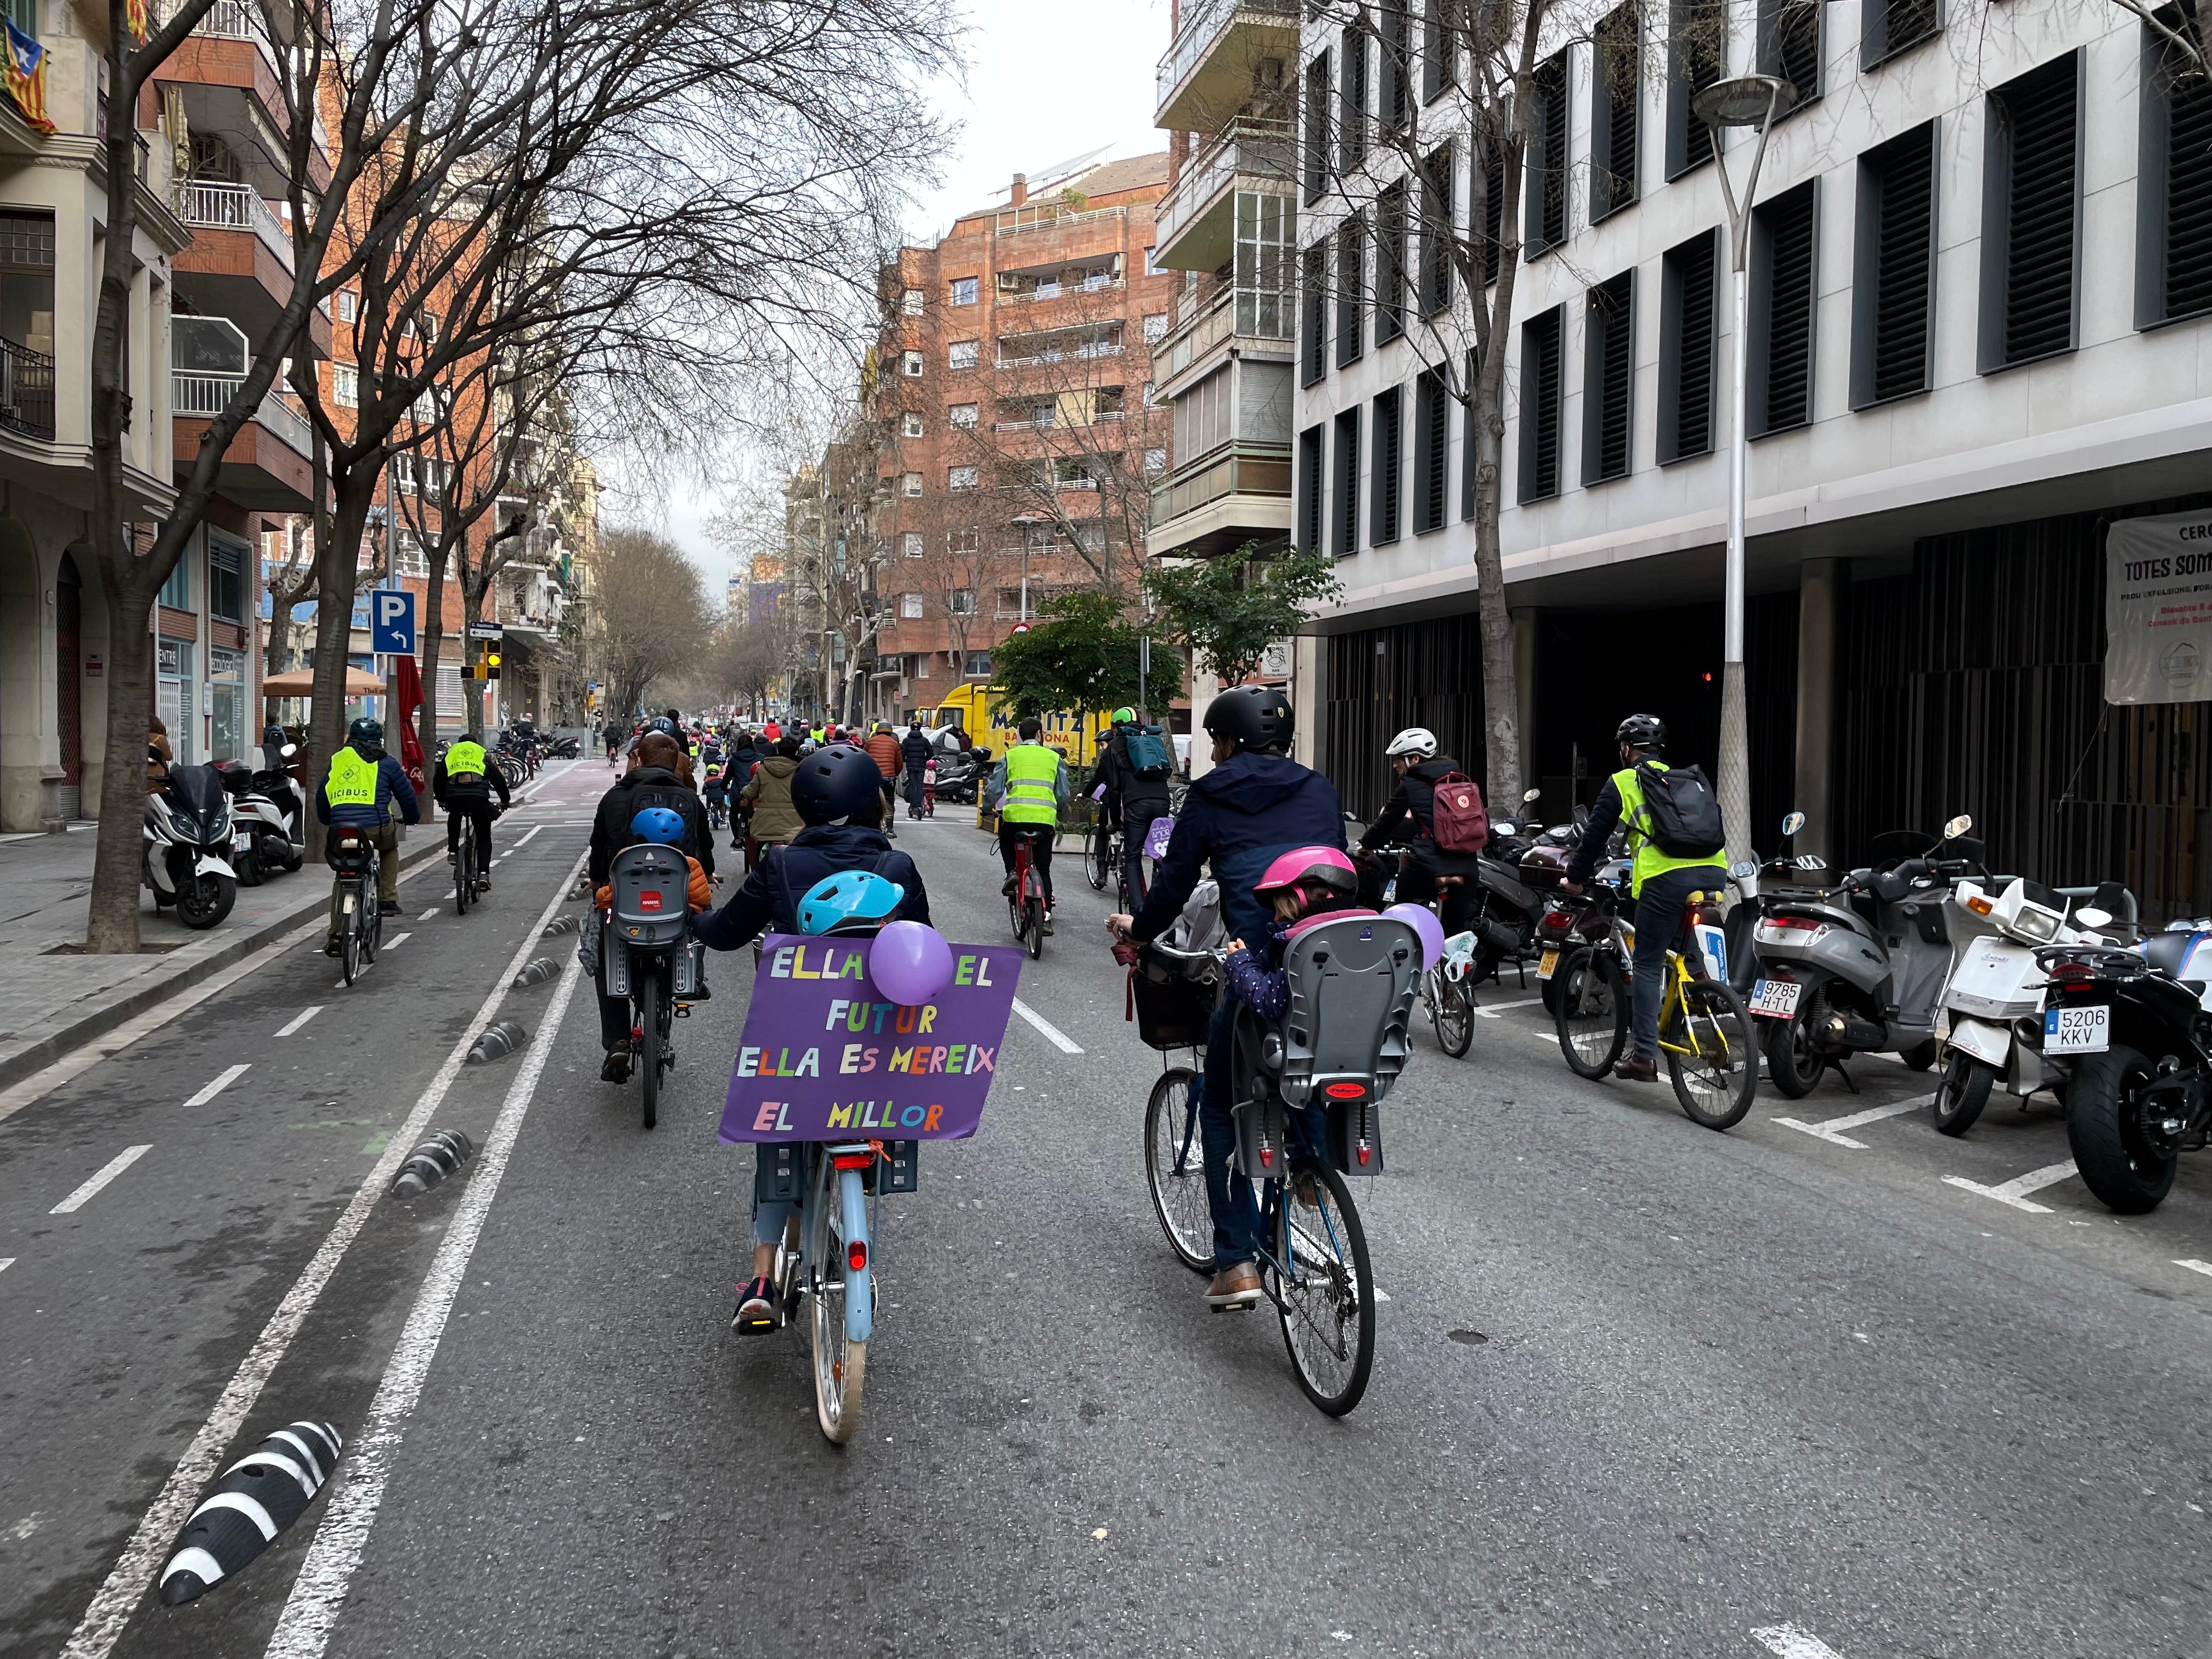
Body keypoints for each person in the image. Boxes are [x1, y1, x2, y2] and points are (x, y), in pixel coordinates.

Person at [1103, 685, 1344, 1310]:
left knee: (1220, 1106)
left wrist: (1140, 929)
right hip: (1330, 963)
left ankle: (1236, 1262)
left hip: (1258, 964)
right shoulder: (1319, 789)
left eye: (1215, 740)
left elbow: (1174, 883)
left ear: (1231, 741)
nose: (1212, 751)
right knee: (1314, 1056)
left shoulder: (1211, 796)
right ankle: (1313, 1161)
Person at [692, 743, 929, 1333]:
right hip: (877, 1055)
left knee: (777, 1135)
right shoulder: (897, 868)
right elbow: (925, 949)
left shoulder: (778, 866)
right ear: (872, 800)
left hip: (800, 1046)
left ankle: (762, 1277)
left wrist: (691, 917)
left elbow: (724, 934)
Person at [1561, 714, 1728, 1084]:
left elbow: (1593, 837)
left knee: (1648, 963)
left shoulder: (1624, 781)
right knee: (1672, 932)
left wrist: (1574, 879)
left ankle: (1643, 1057)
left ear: (1626, 749)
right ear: (1660, 750)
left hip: (1665, 877)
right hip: (1714, 871)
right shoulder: (1685, 779)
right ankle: (1699, 983)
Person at [588, 732, 714, 1079]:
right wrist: (708, 875)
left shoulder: (614, 798)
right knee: (698, 917)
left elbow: (599, 848)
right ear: (676, 764)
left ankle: (617, 1039)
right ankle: (693, 979)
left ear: (638, 759)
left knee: (606, 956)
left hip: (626, 906)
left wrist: (598, 882)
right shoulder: (690, 798)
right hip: (676, 905)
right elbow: (704, 847)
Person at [1352, 727, 1483, 939]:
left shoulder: (1411, 783)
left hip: (1428, 866)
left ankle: (1405, 944)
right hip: (1469, 867)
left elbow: (1387, 821)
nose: (1395, 764)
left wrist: (1366, 845)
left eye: (1398, 759)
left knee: (1403, 895)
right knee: (1453, 931)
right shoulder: (1458, 779)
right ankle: (1459, 964)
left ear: (1414, 759)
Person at [316, 716, 421, 953]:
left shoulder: (338, 759)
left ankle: (335, 934)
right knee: (389, 848)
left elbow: (323, 795)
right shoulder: (387, 762)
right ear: (379, 739)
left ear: (350, 738)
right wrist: (413, 818)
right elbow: (406, 795)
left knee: (342, 874)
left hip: (340, 828)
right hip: (376, 827)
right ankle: (387, 897)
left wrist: (328, 820)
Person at [1223, 847, 1364, 1022]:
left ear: (1299, 899)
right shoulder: (1378, 935)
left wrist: (1239, 962)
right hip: (1372, 1043)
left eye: (1280, 910)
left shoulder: (1307, 946)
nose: (1275, 918)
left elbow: (1269, 1000)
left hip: (1305, 1044)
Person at [987, 717, 1068, 927]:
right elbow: (1063, 793)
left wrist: (986, 808)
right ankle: (1047, 916)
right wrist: (1055, 809)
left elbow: (995, 790)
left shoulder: (1009, 756)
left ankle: (1012, 872)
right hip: (1044, 822)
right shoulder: (1054, 758)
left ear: (1019, 736)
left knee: (1005, 838)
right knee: (1043, 868)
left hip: (1015, 820)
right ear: (1040, 735)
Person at [1094, 706, 1173, 906]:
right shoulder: (1153, 740)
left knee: (1133, 856)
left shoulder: (1116, 745)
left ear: (1117, 727)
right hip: (1163, 801)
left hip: (1136, 805)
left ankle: (1138, 913)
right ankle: (1162, 903)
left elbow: (1114, 789)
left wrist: (1114, 822)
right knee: (1160, 853)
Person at [431, 734, 510, 893]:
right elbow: (498, 780)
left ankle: (453, 851)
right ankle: (483, 875)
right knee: (484, 836)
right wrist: (505, 800)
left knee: (454, 815)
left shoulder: (451, 754)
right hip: (478, 801)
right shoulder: (481, 754)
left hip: (454, 799)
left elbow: (438, 779)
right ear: (475, 744)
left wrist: (442, 800)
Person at [738, 735, 804, 852]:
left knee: (758, 854)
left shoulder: (763, 768)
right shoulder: (801, 770)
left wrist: (743, 790)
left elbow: (750, 793)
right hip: (794, 826)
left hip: (764, 827)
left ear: (778, 750)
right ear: (796, 751)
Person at [864, 720, 903, 816]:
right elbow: (899, 763)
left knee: (872, 800)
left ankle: (874, 823)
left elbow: (864, 759)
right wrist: (894, 774)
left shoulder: (870, 742)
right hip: (889, 778)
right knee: (889, 801)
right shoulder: (894, 743)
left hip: (874, 777)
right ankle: (889, 828)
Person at [899, 717, 934, 820]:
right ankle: (919, 805)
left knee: (912, 785)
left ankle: (913, 805)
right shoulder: (924, 741)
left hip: (910, 766)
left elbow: (902, 754)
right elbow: (931, 752)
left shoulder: (906, 740)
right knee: (919, 786)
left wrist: (906, 760)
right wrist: (925, 759)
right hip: (921, 766)